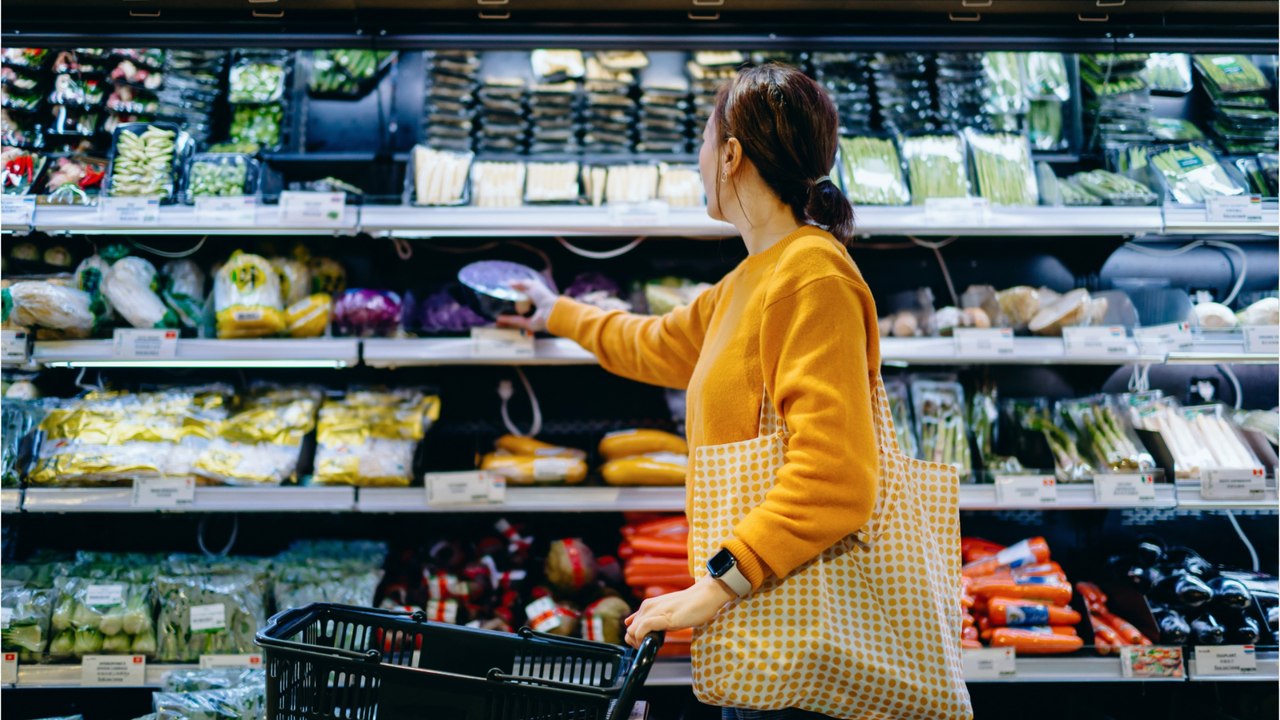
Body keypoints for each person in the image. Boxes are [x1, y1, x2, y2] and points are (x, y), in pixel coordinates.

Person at [503, 63, 884, 720]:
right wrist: (554, 311)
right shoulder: (750, 282)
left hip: (803, 636)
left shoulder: (813, 276)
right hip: (763, 619)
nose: (697, 161)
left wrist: (713, 587)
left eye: (704, 142)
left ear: (731, 154)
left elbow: (837, 475)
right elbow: (654, 344)